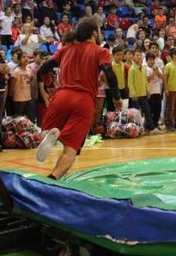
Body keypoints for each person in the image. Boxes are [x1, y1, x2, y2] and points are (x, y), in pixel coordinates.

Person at [35, 17, 120, 179]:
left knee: (46, 131)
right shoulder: (100, 51)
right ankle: (53, 178)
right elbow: (109, 73)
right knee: (71, 147)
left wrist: (45, 90)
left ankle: (48, 136)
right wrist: (116, 97)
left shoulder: (66, 49)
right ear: (94, 33)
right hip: (83, 99)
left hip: (61, 96)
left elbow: (42, 69)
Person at [128, 50, 154, 132]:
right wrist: (133, 93)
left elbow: (146, 80)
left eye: (140, 55)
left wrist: (148, 90)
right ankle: (136, 129)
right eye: (137, 55)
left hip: (143, 94)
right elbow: (130, 83)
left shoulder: (143, 68)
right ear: (133, 57)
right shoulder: (132, 69)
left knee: (147, 111)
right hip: (135, 95)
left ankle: (150, 127)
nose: (139, 57)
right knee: (136, 113)